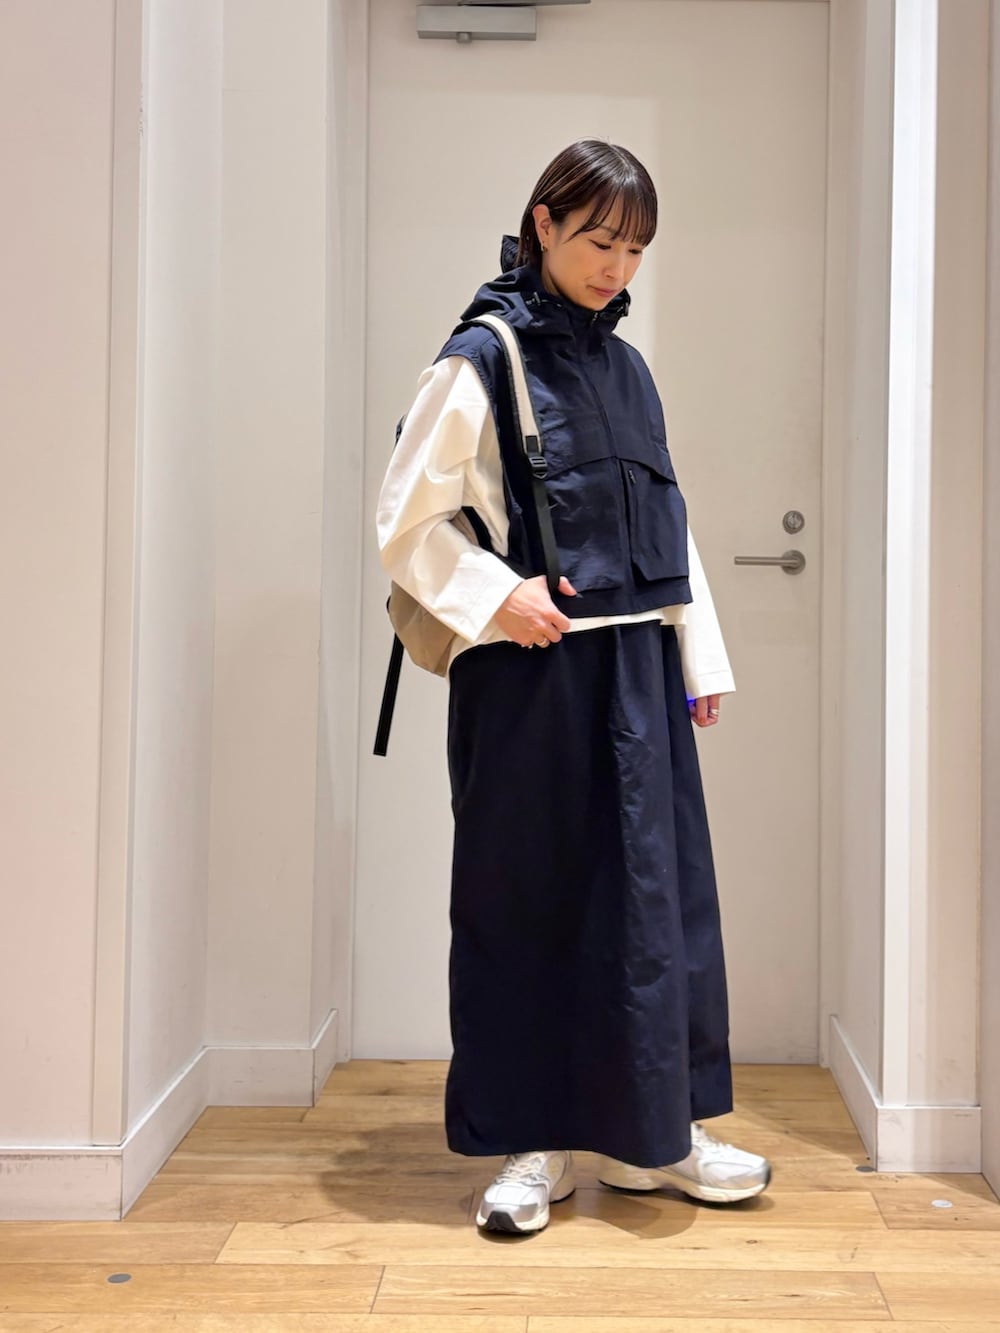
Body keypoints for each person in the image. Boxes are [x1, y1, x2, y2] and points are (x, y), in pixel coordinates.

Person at [376, 139, 770, 1235]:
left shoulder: (629, 369)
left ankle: (654, 1136)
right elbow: (406, 520)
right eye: (600, 240)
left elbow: (669, 523)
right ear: (542, 224)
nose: (617, 268)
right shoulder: (481, 359)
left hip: (639, 672)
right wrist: (497, 595)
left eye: (636, 249)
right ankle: (530, 1145)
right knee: (529, 902)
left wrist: (697, 657)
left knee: (655, 906)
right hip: (531, 675)